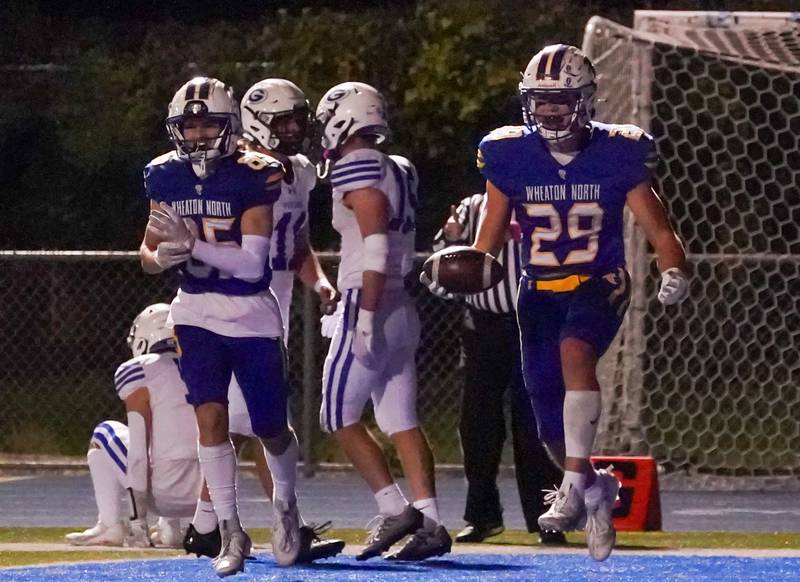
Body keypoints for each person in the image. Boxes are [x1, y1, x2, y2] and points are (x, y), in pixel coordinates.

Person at [468, 44, 688, 561]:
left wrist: (675, 267)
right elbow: (489, 240)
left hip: (599, 280)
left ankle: (570, 489)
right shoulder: (508, 154)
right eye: (540, 100)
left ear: (585, 100)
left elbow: (658, 226)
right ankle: (595, 487)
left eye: (559, 100)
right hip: (538, 290)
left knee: (575, 352)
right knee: (547, 423)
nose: (548, 112)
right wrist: (469, 267)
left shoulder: (618, 152)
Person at [140, 76, 307, 576]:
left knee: (270, 427)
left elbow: (254, 265)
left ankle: (285, 507)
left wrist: (193, 246)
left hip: (251, 313)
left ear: (229, 125)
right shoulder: (164, 175)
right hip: (194, 309)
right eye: (188, 125)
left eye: (207, 123)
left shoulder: (256, 174)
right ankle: (230, 531)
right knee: (210, 420)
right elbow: (148, 252)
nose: (197, 134)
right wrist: (161, 256)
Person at [314, 81, 451, 561]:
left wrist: (365, 313)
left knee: (336, 414)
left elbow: (373, 239)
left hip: (368, 301)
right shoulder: (401, 167)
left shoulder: (358, 165)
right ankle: (431, 522)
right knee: (399, 420)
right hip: (402, 302)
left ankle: (395, 508)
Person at [422, 194, 566, 545]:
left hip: (534, 323)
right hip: (483, 327)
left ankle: (547, 516)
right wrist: (455, 240)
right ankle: (482, 516)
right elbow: (436, 282)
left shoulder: (543, 201)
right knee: (476, 425)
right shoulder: (471, 208)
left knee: (533, 425)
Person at [65, 304, 201, 549]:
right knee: (178, 434)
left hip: (164, 493)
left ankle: (110, 525)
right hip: (205, 496)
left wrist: (138, 521)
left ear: (142, 339)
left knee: (103, 432)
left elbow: (139, 452)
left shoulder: (142, 370)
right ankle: (171, 528)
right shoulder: (204, 367)